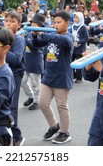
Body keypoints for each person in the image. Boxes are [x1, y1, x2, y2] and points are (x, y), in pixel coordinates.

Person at [32, 10, 74, 144]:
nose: (55, 25)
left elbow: (57, 39)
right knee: (42, 103)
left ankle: (64, 132)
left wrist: (42, 33)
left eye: (58, 22)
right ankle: (54, 125)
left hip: (62, 77)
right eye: (54, 22)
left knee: (62, 106)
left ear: (67, 23)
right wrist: (34, 35)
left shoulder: (68, 38)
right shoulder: (51, 35)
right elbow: (37, 44)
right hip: (48, 76)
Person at [4, 11, 26, 145]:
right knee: (3, 104)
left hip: (15, 74)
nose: (8, 23)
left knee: (12, 106)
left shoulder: (18, 39)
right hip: (3, 74)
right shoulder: (3, 37)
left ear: (18, 24)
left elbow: (17, 59)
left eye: (12, 21)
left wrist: (3, 50)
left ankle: (17, 137)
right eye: (7, 21)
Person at [21, 13, 45, 111]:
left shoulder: (41, 34)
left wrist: (24, 40)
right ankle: (31, 96)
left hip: (35, 62)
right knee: (23, 81)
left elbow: (35, 46)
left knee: (35, 84)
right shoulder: (29, 33)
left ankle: (37, 101)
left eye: (35, 23)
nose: (32, 25)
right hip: (27, 61)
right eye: (32, 23)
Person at [71, 12, 89, 83]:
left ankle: (79, 77)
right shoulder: (73, 26)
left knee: (79, 62)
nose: (75, 19)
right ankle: (73, 75)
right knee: (71, 62)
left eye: (77, 17)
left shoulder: (83, 27)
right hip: (73, 47)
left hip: (80, 48)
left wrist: (79, 42)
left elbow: (86, 38)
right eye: (74, 17)